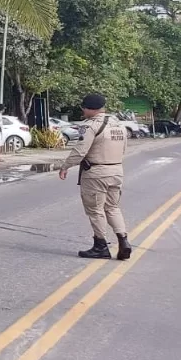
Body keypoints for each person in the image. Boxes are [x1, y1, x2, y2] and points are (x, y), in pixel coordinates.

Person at [59, 92, 131, 260]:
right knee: (112, 208)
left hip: (96, 173)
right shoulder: (118, 125)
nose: (83, 111)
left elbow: (80, 151)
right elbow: (124, 149)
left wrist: (65, 166)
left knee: (95, 210)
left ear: (90, 109)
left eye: (84, 108)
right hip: (116, 170)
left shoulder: (90, 126)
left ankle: (100, 246)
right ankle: (124, 241)